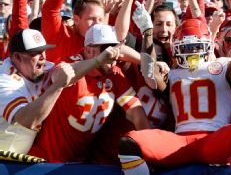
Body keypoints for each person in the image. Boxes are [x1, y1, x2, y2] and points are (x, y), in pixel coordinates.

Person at [118, 0, 231, 174]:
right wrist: (147, 31)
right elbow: (150, 72)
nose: (192, 51)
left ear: (208, 45)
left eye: (196, 46)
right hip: (179, 142)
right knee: (129, 143)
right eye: (186, 48)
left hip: (214, 138)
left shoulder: (222, 65)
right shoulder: (172, 72)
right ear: (176, 47)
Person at [28, 24, 150, 163]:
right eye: (106, 49)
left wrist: (149, 154)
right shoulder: (71, 63)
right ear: (88, 50)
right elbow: (60, 76)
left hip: (80, 162)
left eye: (115, 49)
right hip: (47, 159)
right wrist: (98, 61)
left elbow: (137, 115)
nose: (112, 56)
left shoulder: (114, 73)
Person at [0, 29, 73, 154]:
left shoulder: (36, 68)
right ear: (17, 57)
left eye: (44, 50)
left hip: (17, 158)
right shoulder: (4, 80)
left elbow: (71, 71)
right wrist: (58, 86)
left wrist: (98, 60)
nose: (43, 57)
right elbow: (27, 121)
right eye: (36, 52)